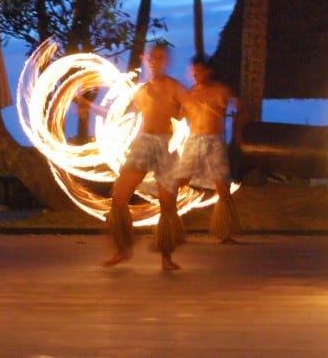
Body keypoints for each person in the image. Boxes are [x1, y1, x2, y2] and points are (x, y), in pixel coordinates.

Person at [103, 43, 186, 271]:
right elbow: (121, 116)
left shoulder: (176, 88)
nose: (155, 61)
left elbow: (192, 110)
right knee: (119, 195)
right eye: (152, 57)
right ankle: (122, 248)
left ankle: (166, 256)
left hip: (166, 145)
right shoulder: (140, 91)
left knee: (168, 204)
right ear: (144, 59)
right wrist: (85, 106)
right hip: (143, 143)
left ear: (166, 61)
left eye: (160, 57)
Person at [176, 55, 241, 243]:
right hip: (194, 140)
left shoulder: (221, 91)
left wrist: (238, 129)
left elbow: (241, 107)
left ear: (208, 71)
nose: (196, 75)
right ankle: (170, 226)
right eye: (193, 72)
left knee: (222, 185)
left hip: (214, 141)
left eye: (199, 71)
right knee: (180, 181)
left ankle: (225, 231)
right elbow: (178, 117)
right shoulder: (188, 95)